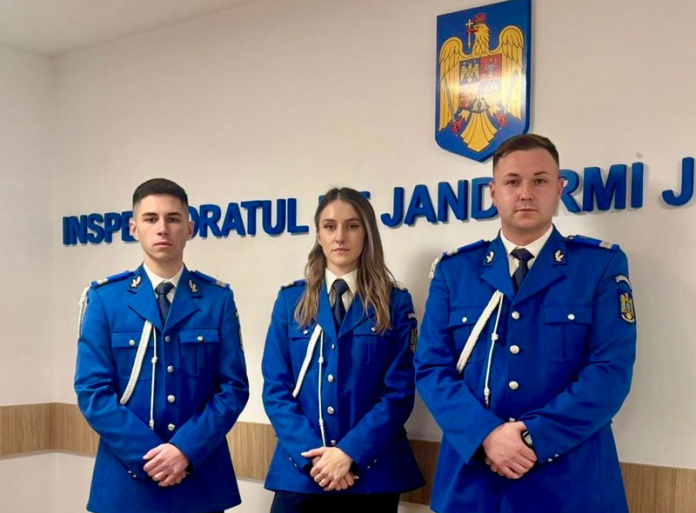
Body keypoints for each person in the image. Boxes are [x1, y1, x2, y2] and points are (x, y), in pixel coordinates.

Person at [415, 134, 637, 513]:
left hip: (570, 481)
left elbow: (609, 372)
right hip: (475, 478)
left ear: (559, 188)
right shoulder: (455, 272)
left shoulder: (599, 266)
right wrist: (487, 435)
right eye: (512, 181)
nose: (526, 193)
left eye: (540, 180)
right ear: (493, 193)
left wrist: (532, 438)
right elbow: (432, 368)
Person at [74, 178, 249, 513]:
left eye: (173, 218)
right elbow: (92, 391)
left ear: (190, 228)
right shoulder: (105, 299)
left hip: (199, 481)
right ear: (133, 228)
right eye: (151, 218)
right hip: (127, 484)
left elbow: (233, 388)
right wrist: (150, 456)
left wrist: (184, 450)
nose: (162, 228)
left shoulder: (217, 299)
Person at [262, 187, 425, 513]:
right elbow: (276, 389)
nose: (340, 236)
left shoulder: (394, 303)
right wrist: (317, 459)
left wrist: (350, 453)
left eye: (352, 226)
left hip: (371, 473)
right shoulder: (290, 302)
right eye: (329, 226)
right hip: (302, 471)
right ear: (318, 235)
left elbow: (399, 393)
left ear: (367, 233)